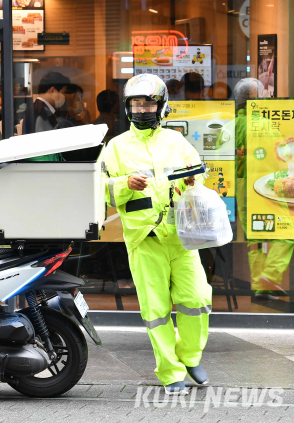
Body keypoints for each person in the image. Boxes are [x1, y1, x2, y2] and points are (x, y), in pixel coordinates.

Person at [101, 74, 212, 395]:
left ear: (161, 106)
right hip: (144, 239)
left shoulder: (177, 142)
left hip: (181, 236)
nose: (142, 109)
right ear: (127, 107)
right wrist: (124, 185)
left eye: (148, 103)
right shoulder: (116, 148)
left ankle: (190, 355)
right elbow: (101, 189)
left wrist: (191, 183)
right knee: (156, 310)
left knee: (197, 300)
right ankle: (170, 371)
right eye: (136, 103)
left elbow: (197, 175)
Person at [231, 78, 291, 300]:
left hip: (241, 185)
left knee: (254, 237)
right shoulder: (265, 124)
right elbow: (283, 156)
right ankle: (270, 276)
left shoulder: (231, 125)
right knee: (286, 232)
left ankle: (260, 285)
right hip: (267, 184)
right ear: (258, 99)